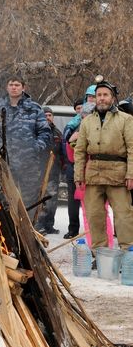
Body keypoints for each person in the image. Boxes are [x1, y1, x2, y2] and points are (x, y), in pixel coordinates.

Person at [74, 79, 133, 252]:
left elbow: (132, 148)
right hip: (93, 175)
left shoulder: (126, 119)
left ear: (112, 98)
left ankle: (128, 254)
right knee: (95, 216)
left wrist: (131, 174)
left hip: (118, 174)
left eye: (105, 95)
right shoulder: (86, 121)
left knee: (124, 216)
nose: (101, 98)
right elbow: (79, 151)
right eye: (98, 95)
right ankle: (99, 254)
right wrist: (78, 175)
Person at [0, 76, 51, 218]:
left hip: (29, 163)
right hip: (6, 162)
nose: (14, 87)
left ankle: (29, 232)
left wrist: (35, 148)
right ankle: (10, 233)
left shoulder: (34, 109)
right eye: (11, 84)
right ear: (7, 87)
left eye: (17, 85)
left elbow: (45, 132)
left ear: (23, 88)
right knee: (5, 198)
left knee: (30, 200)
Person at [63, 92, 93, 239]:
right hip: (74, 167)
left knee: (93, 202)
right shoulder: (73, 127)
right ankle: (73, 229)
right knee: (73, 201)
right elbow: (68, 147)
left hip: (91, 169)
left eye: (86, 112)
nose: (83, 114)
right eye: (81, 111)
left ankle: (94, 230)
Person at [35, 107, 65, 235]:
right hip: (40, 171)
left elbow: (62, 151)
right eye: (45, 115)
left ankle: (49, 225)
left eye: (49, 115)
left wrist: (63, 167)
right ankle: (39, 225)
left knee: (53, 200)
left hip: (54, 170)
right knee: (42, 199)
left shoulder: (57, 132)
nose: (47, 117)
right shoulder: (37, 131)